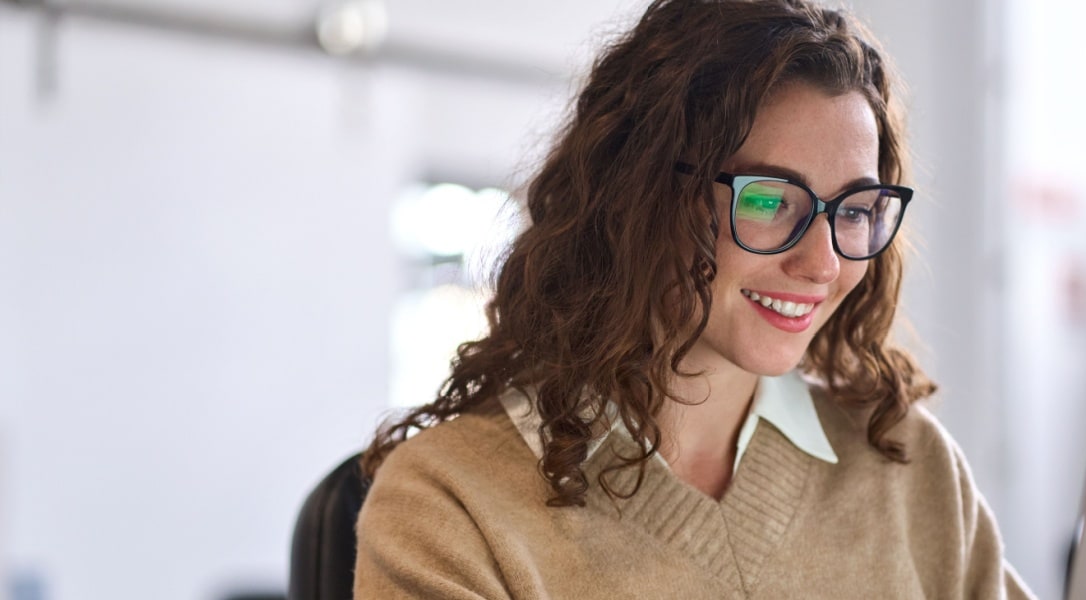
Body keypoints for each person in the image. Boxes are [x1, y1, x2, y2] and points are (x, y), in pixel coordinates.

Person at [355, 0, 1034, 598]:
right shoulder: (452, 503)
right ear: (639, 197)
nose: (822, 262)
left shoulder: (911, 468)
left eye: (854, 209)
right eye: (769, 199)